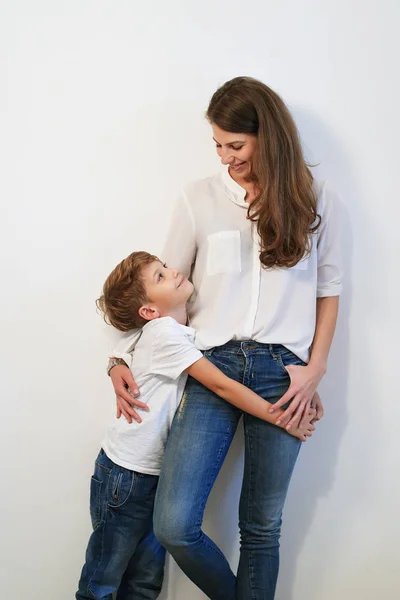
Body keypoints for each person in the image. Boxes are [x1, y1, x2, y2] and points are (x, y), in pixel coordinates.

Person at [109, 76, 342, 600]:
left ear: (268, 138)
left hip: (285, 375)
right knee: (174, 523)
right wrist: (120, 358)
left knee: (262, 528)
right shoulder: (198, 198)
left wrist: (316, 369)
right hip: (209, 368)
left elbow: (330, 289)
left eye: (234, 145)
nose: (224, 158)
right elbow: (162, 293)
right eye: (216, 145)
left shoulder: (315, 196)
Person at [76, 251, 316, 600]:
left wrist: (114, 362)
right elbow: (222, 386)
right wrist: (283, 418)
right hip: (124, 477)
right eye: (160, 276)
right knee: (103, 578)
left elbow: (126, 345)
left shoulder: (175, 332)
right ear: (149, 312)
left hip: (150, 474)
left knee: (144, 582)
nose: (173, 271)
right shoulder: (165, 336)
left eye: (164, 268)